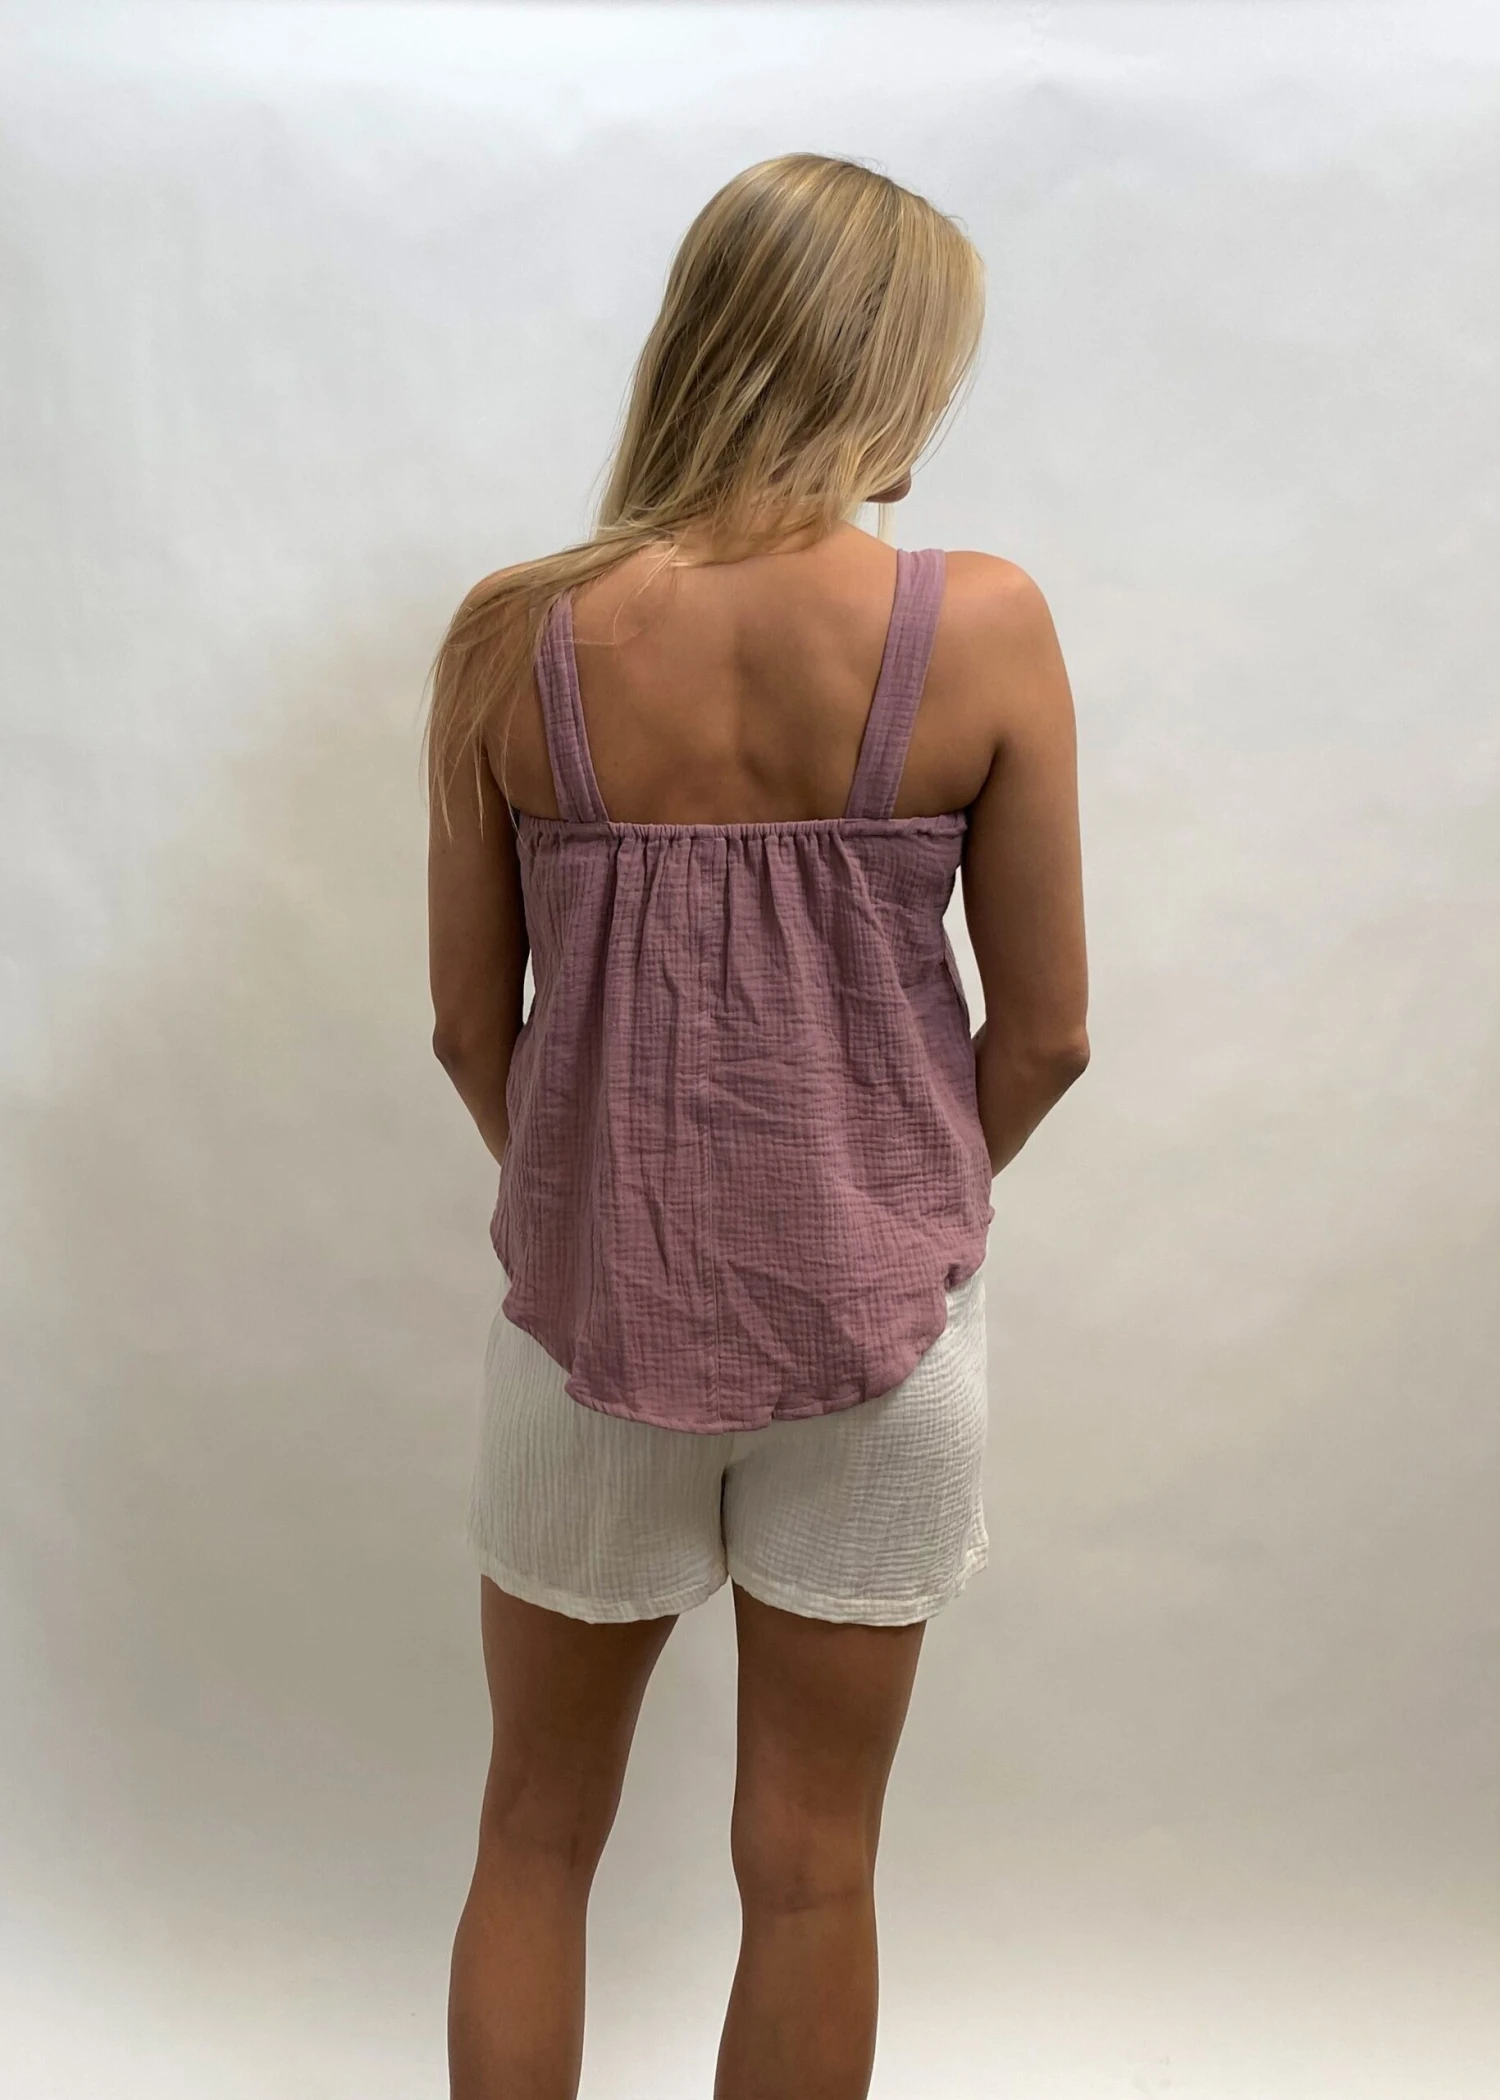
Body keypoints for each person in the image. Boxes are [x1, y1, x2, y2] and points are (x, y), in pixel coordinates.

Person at [424, 151, 1088, 2100]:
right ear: (879, 365)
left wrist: (616, 1208)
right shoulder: (981, 624)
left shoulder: (512, 640)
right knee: (813, 1873)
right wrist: (880, 1205)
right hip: (883, 1342)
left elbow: (469, 1024)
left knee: (532, 1837)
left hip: (585, 1335)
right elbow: (1047, 1036)